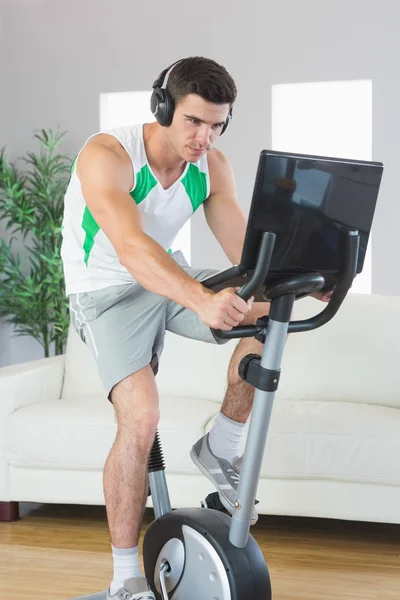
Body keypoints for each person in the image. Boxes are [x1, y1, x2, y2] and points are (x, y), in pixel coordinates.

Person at [61, 56, 330, 600]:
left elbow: (246, 257)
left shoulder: (212, 166)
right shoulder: (107, 156)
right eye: (193, 122)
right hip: (106, 289)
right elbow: (133, 250)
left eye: (217, 124)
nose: (204, 137)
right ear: (163, 108)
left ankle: (221, 445)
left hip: (172, 274)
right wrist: (202, 301)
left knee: (272, 305)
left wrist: (302, 281)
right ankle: (124, 580)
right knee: (141, 418)